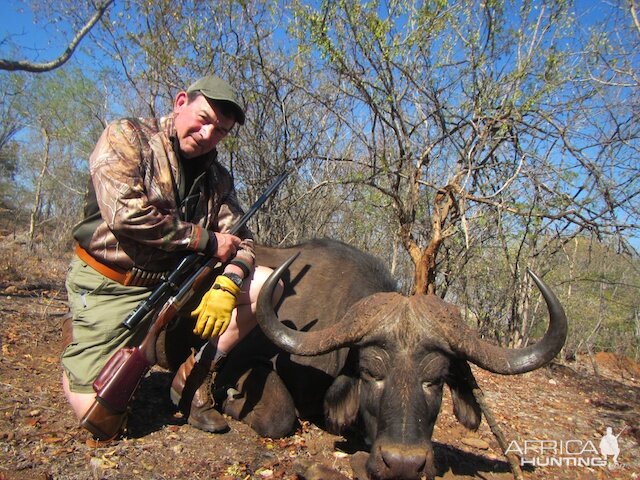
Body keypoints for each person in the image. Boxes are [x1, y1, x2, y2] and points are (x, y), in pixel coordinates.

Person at [62, 75, 278, 437]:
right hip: (110, 283)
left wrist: (229, 281)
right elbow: (125, 214)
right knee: (100, 422)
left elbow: (243, 239)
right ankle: (84, 331)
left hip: (170, 285)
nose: (209, 134)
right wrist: (207, 241)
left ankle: (193, 375)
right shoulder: (127, 136)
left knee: (267, 284)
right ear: (181, 103)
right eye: (204, 118)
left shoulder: (218, 178)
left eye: (221, 131)